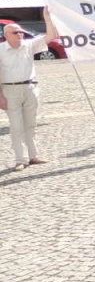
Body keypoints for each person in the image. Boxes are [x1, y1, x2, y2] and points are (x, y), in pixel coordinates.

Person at [0, 9, 58, 171]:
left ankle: (33, 156)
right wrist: (0, 96)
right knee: (16, 125)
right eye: (16, 32)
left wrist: (47, 17)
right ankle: (20, 159)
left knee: (31, 124)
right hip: (10, 90)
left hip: (30, 87)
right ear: (6, 35)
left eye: (21, 32)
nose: (20, 35)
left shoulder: (28, 45)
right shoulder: (1, 50)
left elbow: (51, 36)